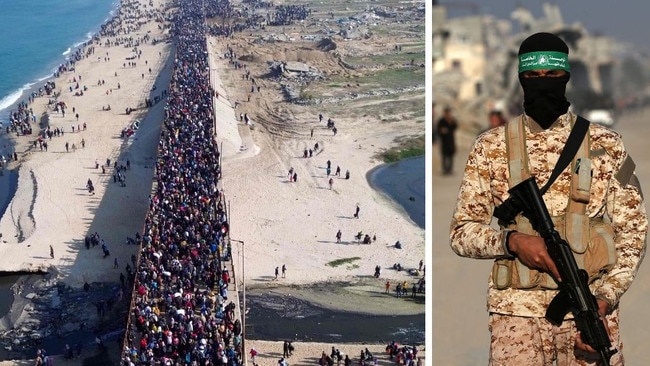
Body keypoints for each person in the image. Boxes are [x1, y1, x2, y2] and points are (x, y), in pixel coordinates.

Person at [450, 32, 648, 365]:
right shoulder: (491, 146)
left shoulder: (607, 144)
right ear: (520, 78)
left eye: (553, 76)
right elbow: (461, 233)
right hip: (515, 316)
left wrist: (606, 296)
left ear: (566, 76)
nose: (543, 84)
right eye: (533, 76)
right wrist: (512, 242)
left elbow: (633, 231)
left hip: (588, 312)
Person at [436, 106, 457, 175]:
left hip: (451, 141)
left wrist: (452, 122)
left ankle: (450, 170)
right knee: (444, 157)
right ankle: (445, 170)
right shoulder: (441, 121)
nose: (448, 114)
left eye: (448, 113)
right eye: (446, 113)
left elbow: (455, 127)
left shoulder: (452, 120)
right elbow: (438, 130)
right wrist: (442, 131)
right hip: (444, 142)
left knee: (450, 157)